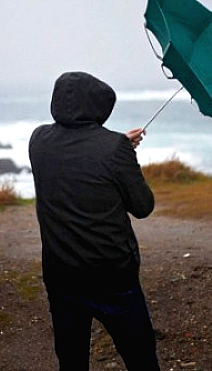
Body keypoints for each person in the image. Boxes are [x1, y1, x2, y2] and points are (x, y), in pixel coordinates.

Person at [28, 71, 160, 371]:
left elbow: (79, 156)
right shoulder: (113, 149)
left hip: (60, 272)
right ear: (100, 107)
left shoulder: (38, 141)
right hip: (111, 275)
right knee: (140, 357)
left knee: (72, 361)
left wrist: (119, 148)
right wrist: (124, 154)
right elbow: (143, 206)